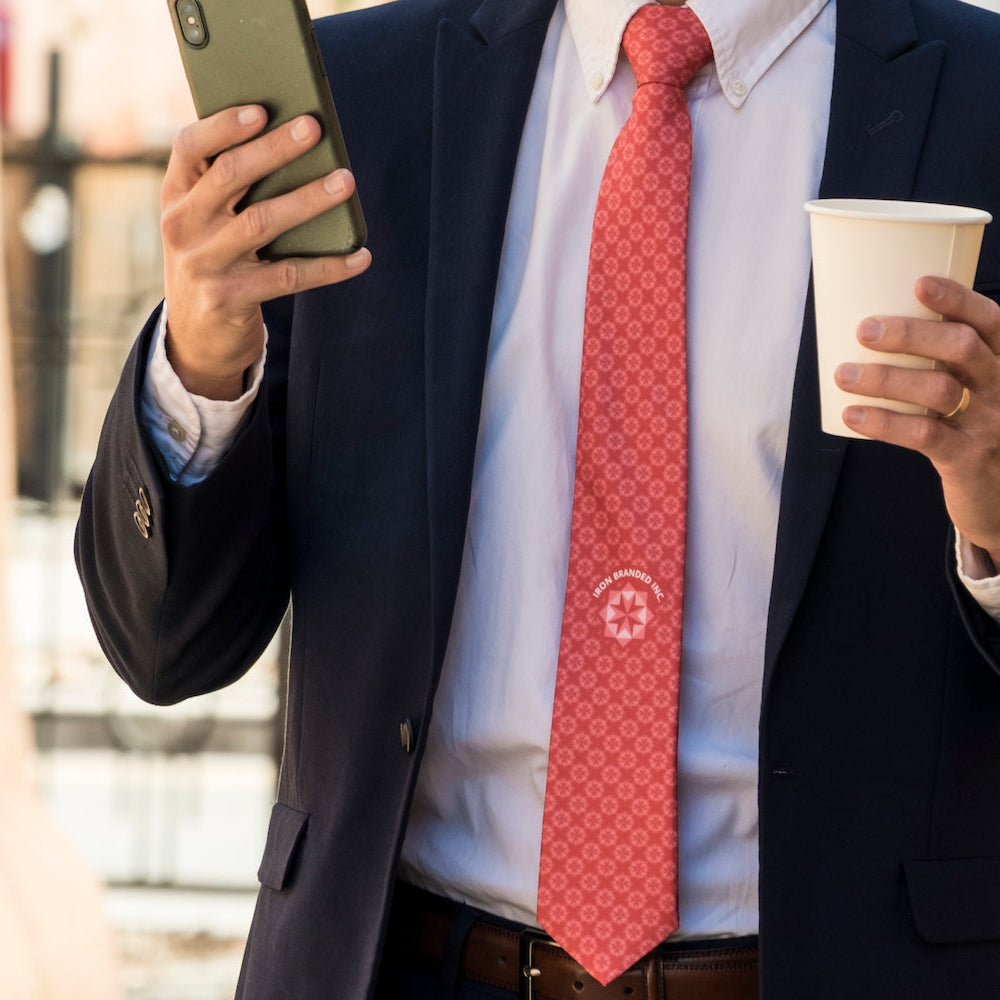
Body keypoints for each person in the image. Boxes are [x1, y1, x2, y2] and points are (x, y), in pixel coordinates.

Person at [75, 0, 1000, 996]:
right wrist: (202, 363)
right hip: (401, 961)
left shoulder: (978, 100)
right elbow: (167, 646)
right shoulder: (351, 99)